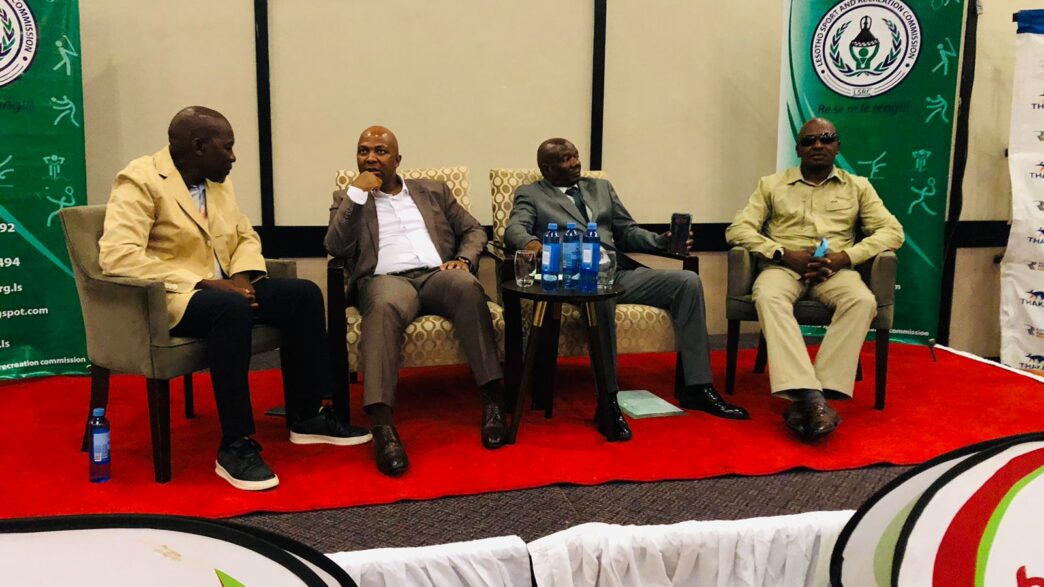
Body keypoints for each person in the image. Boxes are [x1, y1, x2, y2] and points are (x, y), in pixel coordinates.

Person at [99, 106, 371, 491]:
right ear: (198, 146)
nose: (233, 157)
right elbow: (118, 256)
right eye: (226, 148)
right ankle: (236, 445)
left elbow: (245, 236)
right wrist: (205, 283)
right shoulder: (140, 180)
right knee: (230, 309)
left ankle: (307, 415)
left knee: (304, 295)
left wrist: (242, 278)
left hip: (228, 288)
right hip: (175, 298)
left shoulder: (217, 181)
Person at [504, 138, 749, 441]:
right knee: (601, 296)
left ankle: (697, 387)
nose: (576, 163)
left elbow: (627, 232)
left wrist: (664, 242)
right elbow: (514, 228)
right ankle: (607, 400)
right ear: (547, 168)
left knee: (687, 283)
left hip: (617, 272)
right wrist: (534, 245)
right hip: (573, 279)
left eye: (576, 156)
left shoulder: (600, 188)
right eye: (566, 159)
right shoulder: (531, 194)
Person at [324, 126, 506, 477]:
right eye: (363, 151)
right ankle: (382, 425)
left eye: (380, 151)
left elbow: (474, 230)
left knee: (467, 287)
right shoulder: (348, 197)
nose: (371, 158)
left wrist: (465, 260)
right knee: (384, 306)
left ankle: (492, 401)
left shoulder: (433, 191)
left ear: (398, 159)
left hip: (437, 273)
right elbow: (335, 247)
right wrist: (356, 196)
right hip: (386, 280)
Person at [725, 118, 904, 442]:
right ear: (798, 149)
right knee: (767, 296)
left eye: (825, 139)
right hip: (783, 269)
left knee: (862, 301)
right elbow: (738, 229)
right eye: (809, 141)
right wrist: (781, 253)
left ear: (837, 145)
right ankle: (812, 396)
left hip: (833, 271)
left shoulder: (858, 186)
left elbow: (893, 231)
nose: (817, 145)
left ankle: (811, 395)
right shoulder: (771, 185)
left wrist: (844, 258)